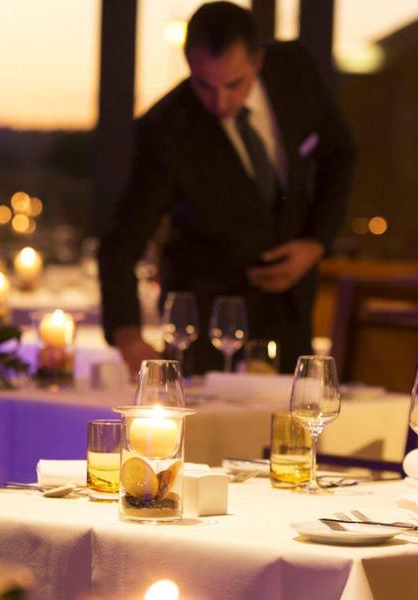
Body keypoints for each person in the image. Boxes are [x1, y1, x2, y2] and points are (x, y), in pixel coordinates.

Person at [98, 1, 357, 376]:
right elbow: (120, 243)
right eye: (204, 85)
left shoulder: (295, 70)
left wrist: (316, 243)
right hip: (207, 324)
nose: (220, 101)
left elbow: (341, 153)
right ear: (188, 62)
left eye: (234, 84)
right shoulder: (166, 129)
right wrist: (128, 338)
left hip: (290, 309)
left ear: (258, 61)